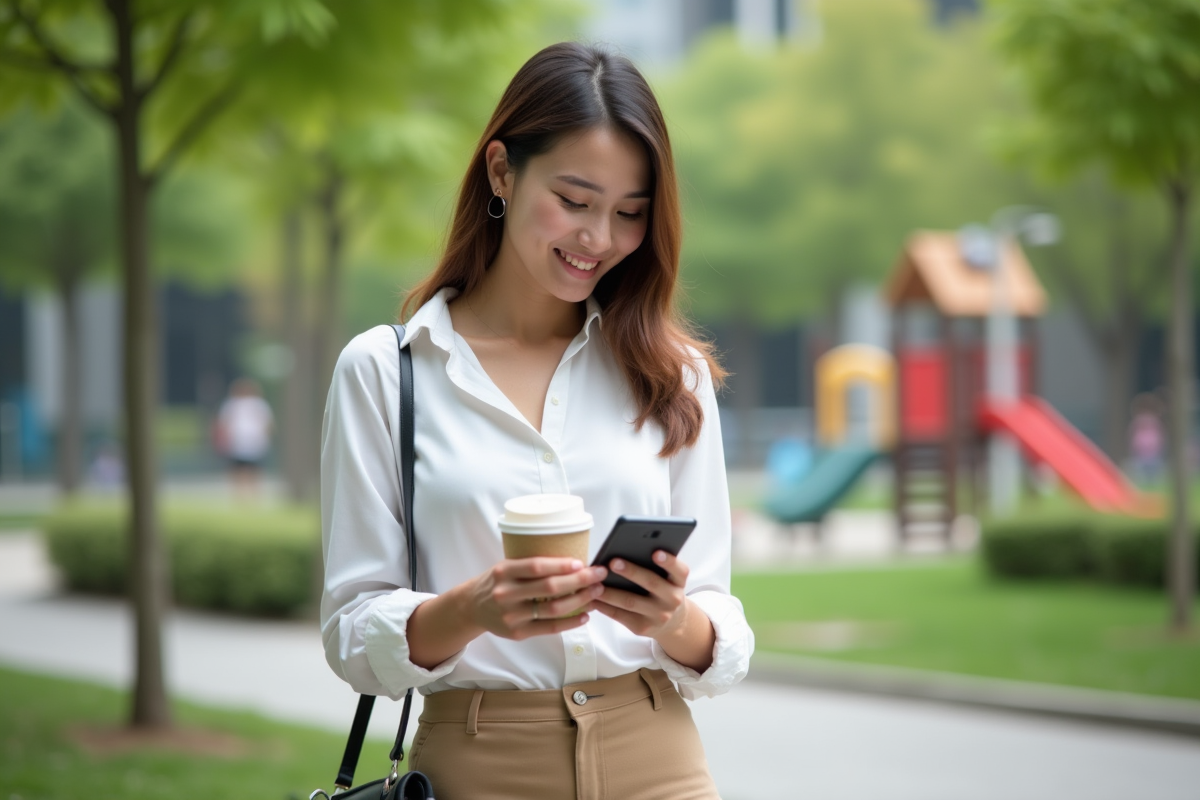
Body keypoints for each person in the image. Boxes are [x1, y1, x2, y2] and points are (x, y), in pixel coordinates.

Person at [320, 42, 753, 800]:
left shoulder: (670, 373)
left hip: (658, 759)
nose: (598, 238)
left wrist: (671, 616)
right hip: (479, 761)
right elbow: (352, 633)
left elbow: (719, 619)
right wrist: (473, 607)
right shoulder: (386, 370)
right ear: (500, 172)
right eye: (575, 200)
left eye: (629, 214)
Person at [214, 377, 274, 500]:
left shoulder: (259, 404)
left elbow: (267, 423)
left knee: (254, 469)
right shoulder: (231, 404)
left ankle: (253, 494)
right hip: (237, 442)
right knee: (238, 469)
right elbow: (224, 423)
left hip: (255, 441)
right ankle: (240, 495)